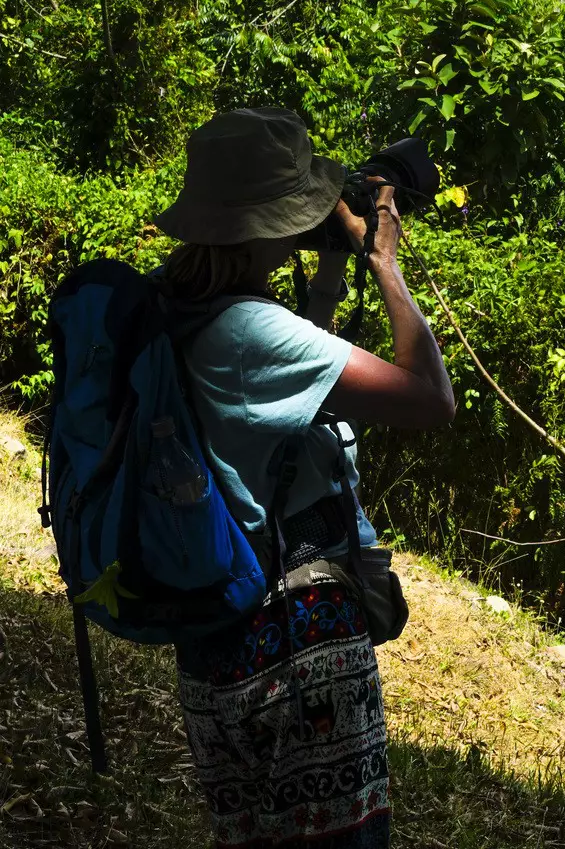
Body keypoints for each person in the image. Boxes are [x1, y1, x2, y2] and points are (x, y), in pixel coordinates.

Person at [154, 108, 455, 849]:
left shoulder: (175, 307)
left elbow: (279, 390)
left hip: (217, 644)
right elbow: (430, 398)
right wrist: (384, 263)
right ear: (264, 222)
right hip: (294, 650)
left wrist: (324, 275)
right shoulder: (252, 334)